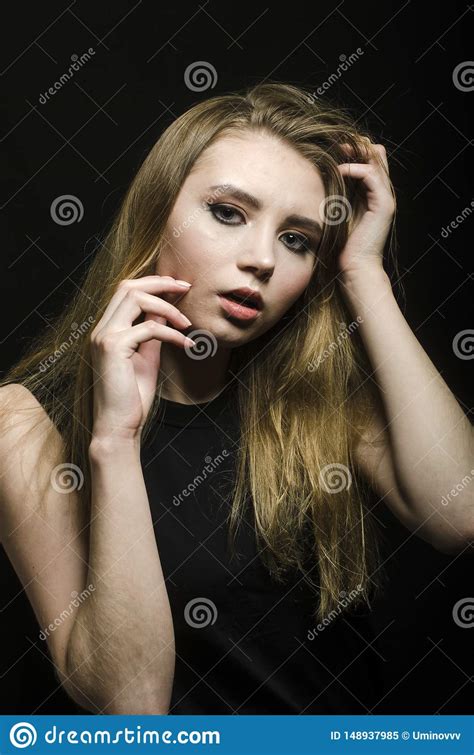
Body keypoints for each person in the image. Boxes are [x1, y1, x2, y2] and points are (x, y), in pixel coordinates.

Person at [1, 81, 472, 715]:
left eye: (298, 239)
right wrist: (114, 442)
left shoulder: (317, 394)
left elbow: (460, 515)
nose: (262, 260)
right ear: (156, 212)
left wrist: (363, 271)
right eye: (228, 213)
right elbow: (131, 704)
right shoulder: (24, 424)